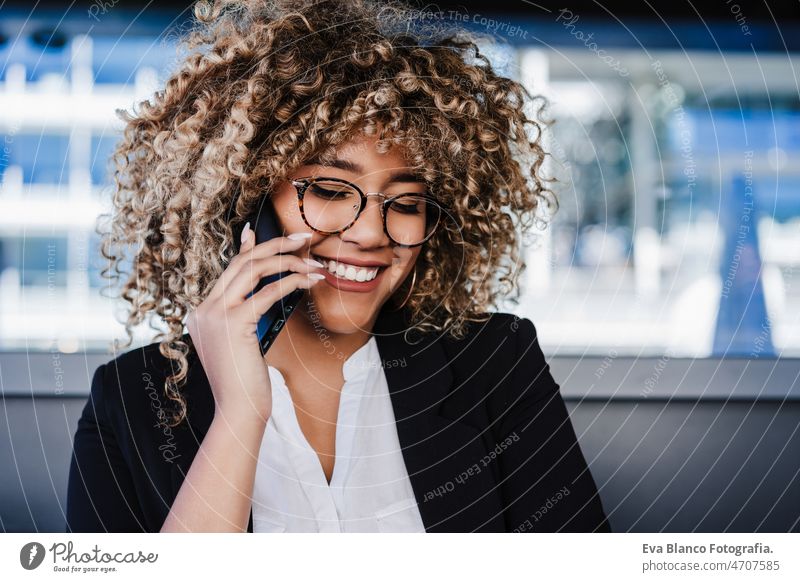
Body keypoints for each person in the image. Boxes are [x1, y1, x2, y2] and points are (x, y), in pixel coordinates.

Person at [66, 0, 611, 533]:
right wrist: (239, 413)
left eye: (405, 203)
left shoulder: (495, 362)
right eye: (329, 190)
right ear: (247, 200)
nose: (372, 233)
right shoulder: (132, 399)